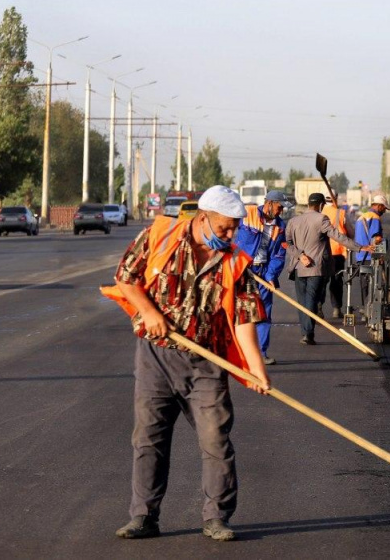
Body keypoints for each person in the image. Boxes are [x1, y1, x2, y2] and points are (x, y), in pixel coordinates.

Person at [102, 185, 270, 542]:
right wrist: (149, 313)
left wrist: (255, 369)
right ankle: (144, 517)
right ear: (204, 217)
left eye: (234, 228)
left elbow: (243, 319)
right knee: (148, 439)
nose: (230, 234)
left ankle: (217, 518)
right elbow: (126, 279)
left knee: (216, 442)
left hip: (206, 365)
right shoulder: (159, 235)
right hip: (156, 358)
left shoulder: (234, 261)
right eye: (225, 227)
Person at [285, 192, 368, 345]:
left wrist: (299, 255)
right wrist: (360, 248)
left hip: (298, 267)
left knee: (302, 301)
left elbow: (287, 244)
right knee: (311, 299)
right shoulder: (321, 219)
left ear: (309, 204)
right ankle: (308, 334)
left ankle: (305, 331)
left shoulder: (293, 220)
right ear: (321, 205)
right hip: (315, 268)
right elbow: (338, 237)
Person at [233, 190, 288, 365]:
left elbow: (279, 254)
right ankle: (238, 352)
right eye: (279, 207)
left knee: (263, 314)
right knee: (240, 312)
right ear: (270, 203)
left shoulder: (280, 227)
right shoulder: (247, 214)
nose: (281, 211)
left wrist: (271, 275)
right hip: (243, 270)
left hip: (263, 272)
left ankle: (261, 353)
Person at [322, 189, 356, 318]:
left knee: (321, 281)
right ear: (335, 198)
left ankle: (319, 308)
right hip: (337, 253)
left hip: (322, 252)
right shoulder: (341, 213)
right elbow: (351, 233)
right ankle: (336, 309)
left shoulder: (320, 212)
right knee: (336, 281)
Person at [354, 193, 390, 304]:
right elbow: (376, 239)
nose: (384, 211)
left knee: (364, 285)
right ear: (379, 206)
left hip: (360, 256)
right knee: (376, 285)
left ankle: (365, 308)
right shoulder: (375, 217)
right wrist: (382, 255)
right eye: (384, 208)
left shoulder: (362, 217)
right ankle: (373, 310)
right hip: (371, 256)